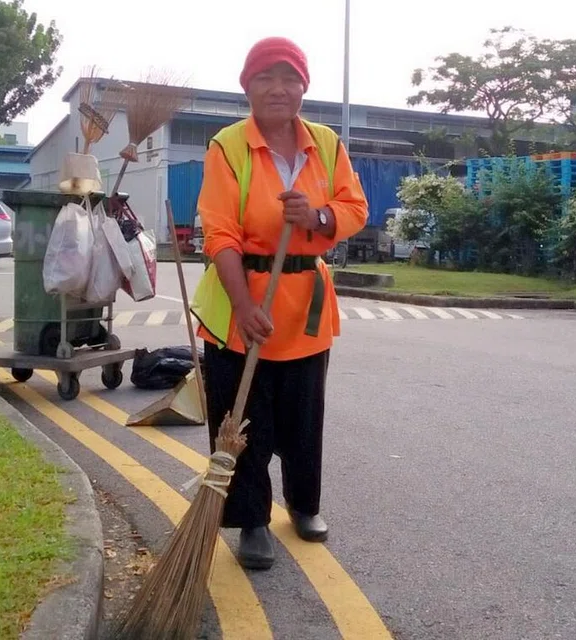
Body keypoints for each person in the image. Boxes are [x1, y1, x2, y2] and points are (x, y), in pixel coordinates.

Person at [190, 36, 369, 571]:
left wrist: (316, 216)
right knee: (242, 420)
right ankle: (251, 521)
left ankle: (304, 505)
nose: (278, 88)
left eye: (290, 78)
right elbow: (220, 234)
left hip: (304, 312)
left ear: (303, 88)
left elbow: (354, 207)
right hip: (238, 308)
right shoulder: (228, 146)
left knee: (304, 415)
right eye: (266, 77)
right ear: (247, 86)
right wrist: (244, 305)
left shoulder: (326, 144)